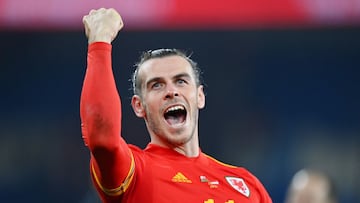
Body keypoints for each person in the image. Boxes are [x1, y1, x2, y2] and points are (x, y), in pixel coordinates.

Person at [80, 8, 272, 203]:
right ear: (139, 106)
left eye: (181, 81)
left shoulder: (247, 185)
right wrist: (99, 42)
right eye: (157, 85)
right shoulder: (134, 173)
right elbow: (102, 137)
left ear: (200, 97)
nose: (172, 92)